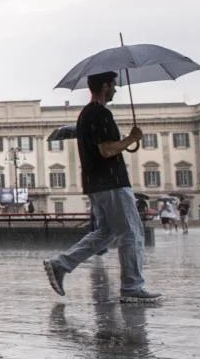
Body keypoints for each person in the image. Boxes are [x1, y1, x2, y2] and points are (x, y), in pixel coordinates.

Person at [43, 72, 161, 303]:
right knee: (131, 232)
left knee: (106, 233)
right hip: (112, 182)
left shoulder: (87, 114)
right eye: (114, 85)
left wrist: (126, 141)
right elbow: (106, 150)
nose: (116, 88)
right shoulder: (100, 113)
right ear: (105, 86)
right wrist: (131, 139)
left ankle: (61, 264)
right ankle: (132, 287)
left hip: (97, 183)